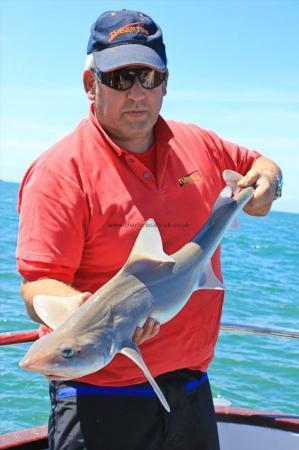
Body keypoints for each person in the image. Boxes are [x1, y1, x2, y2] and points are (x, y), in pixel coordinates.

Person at [16, 9, 282, 450]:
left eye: (149, 77)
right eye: (121, 78)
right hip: (100, 398)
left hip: (192, 391)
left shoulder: (200, 144)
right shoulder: (60, 172)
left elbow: (261, 164)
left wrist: (269, 185)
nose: (137, 93)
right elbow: (36, 286)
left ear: (165, 83)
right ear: (90, 85)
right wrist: (87, 311)